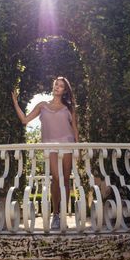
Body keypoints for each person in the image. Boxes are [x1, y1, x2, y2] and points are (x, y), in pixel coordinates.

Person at [11, 76, 79, 229]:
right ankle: (56, 214)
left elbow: (74, 128)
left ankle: (62, 216)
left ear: (64, 90)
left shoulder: (69, 108)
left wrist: (77, 149)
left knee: (66, 180)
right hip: (50, 146)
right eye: (56, 84)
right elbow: (24, 120)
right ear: (53, 86)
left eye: (61, 86)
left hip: (67, 144)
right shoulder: (42, 105)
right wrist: (15, 103)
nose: (57, 87)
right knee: (56, 178)